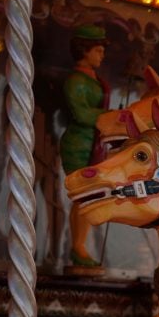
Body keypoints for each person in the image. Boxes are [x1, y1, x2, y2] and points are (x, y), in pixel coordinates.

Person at [60, 24, 109, 268]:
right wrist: (107, 115)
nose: (101, 56)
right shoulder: (76, 81)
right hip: (79, 144)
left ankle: (80, 245)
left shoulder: (93, 79)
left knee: (89, 197)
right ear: (84, 51)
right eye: (98, 50)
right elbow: (80, 113)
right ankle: (78, 247)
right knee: (84, 196)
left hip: (93, 143)